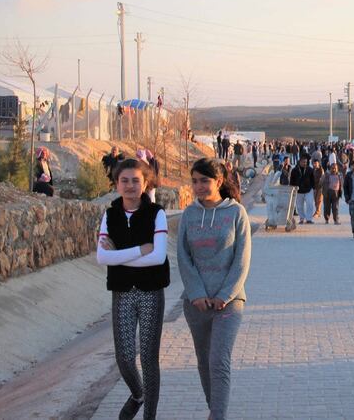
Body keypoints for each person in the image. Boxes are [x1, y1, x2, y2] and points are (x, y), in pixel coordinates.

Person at [96, 159, 170, 420]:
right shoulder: (110, 214)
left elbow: (158, 256)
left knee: (149, 359)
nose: (130, 186)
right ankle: (138, 394)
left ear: (145, 183)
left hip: (150, 292)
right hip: (122, 292)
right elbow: (102, 258)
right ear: (116, 184)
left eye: (135, 180)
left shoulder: (156, 214)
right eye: (124, 180)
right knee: (125, 357)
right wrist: (140, 250)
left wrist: (119, 255)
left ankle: (149, 415)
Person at [178, 158, 250, 420]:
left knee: (219, 361)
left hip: (229, 304)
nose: (198, 186)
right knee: (204, 362)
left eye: (204, 181)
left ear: (219, 181)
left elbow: (242, 261)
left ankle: (217, 416)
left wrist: (224, 296)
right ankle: (215, 409)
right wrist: (196, 294)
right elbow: (183, 257)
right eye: (194, 181)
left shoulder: (236, 213)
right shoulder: (189, 213)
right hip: (196, 304)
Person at [289, 155, 316, 224]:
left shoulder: (310, 169)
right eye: (303, 162)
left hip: (308, 190)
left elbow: (313, 179)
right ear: (300, 162)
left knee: (310, 204)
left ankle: (309, 219)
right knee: (299, 206)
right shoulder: (294, 170)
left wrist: (314, 188)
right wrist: (292, 189)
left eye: (306, 162)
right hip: (298, 191)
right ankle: (301, 219)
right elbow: (292, 180)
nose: (305, 163)